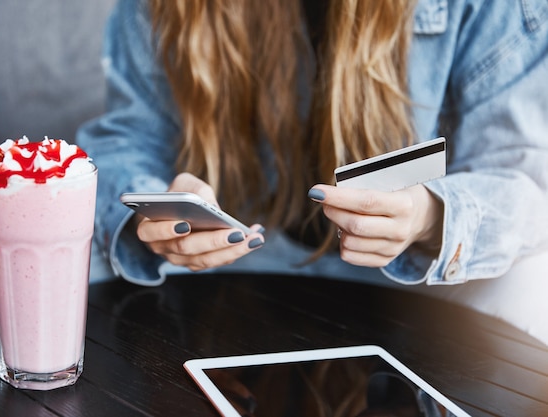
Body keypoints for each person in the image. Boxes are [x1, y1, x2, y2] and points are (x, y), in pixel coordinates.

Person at [77, 0, 548, 343]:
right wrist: (155, 211)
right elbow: (128, 140)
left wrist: (428, 215)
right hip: (243, 254)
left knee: (534, 287)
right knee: (79, 259)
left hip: (416, 270)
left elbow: (523, 181)